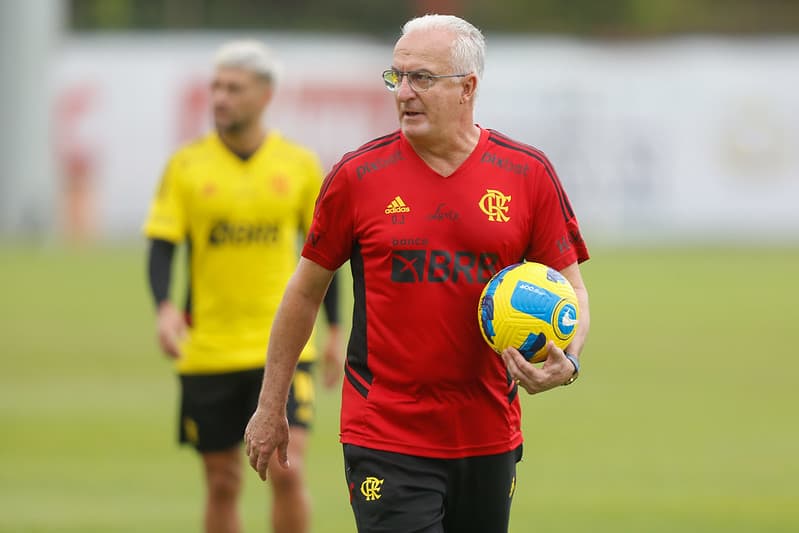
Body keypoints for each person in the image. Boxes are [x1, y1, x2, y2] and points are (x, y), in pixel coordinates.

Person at [244, 14, 590, 533]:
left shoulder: (527, 174)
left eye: (422, 78)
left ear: (467, 88)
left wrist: (569, 361)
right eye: (397, 76)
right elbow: (305, 292)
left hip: (489, 433)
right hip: (386, 434)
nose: (404, 92)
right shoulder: (357, 176)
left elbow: (572, 289)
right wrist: (270, 405)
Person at [143, 40, 342, 533]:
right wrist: (165, 307)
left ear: (265, 95)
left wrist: (336, 330)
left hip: (284, 346)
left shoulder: (298, 164)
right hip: (209, 348)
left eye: (234, 88)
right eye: (216, 87)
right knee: (222, 481)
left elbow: (324, 255)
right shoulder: (186, 165)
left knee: (287, 468)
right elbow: (163, 245)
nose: (221, 98)